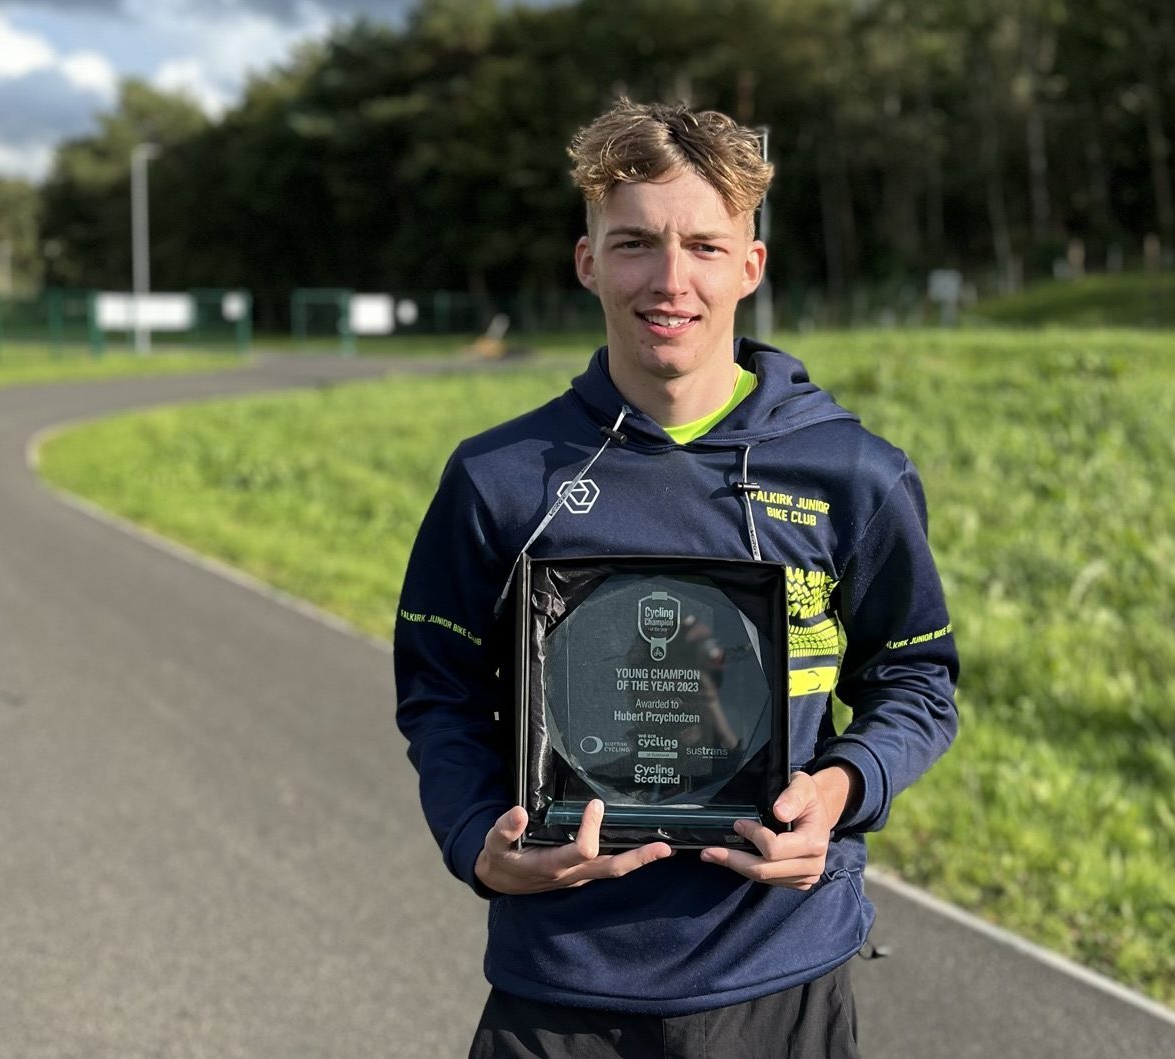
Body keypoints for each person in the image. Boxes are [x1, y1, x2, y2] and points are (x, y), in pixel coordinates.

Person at [393, 98, 959, 1058]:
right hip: (559, 979)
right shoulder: (499, 478)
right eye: (633, 245)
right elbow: (439, 692)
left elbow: (918, 679)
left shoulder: (853, 473)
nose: (669, 280)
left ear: (751, 265)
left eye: (703, 245)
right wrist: (478, 837)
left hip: (778, 972)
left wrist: (840, 786)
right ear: (586, 263)